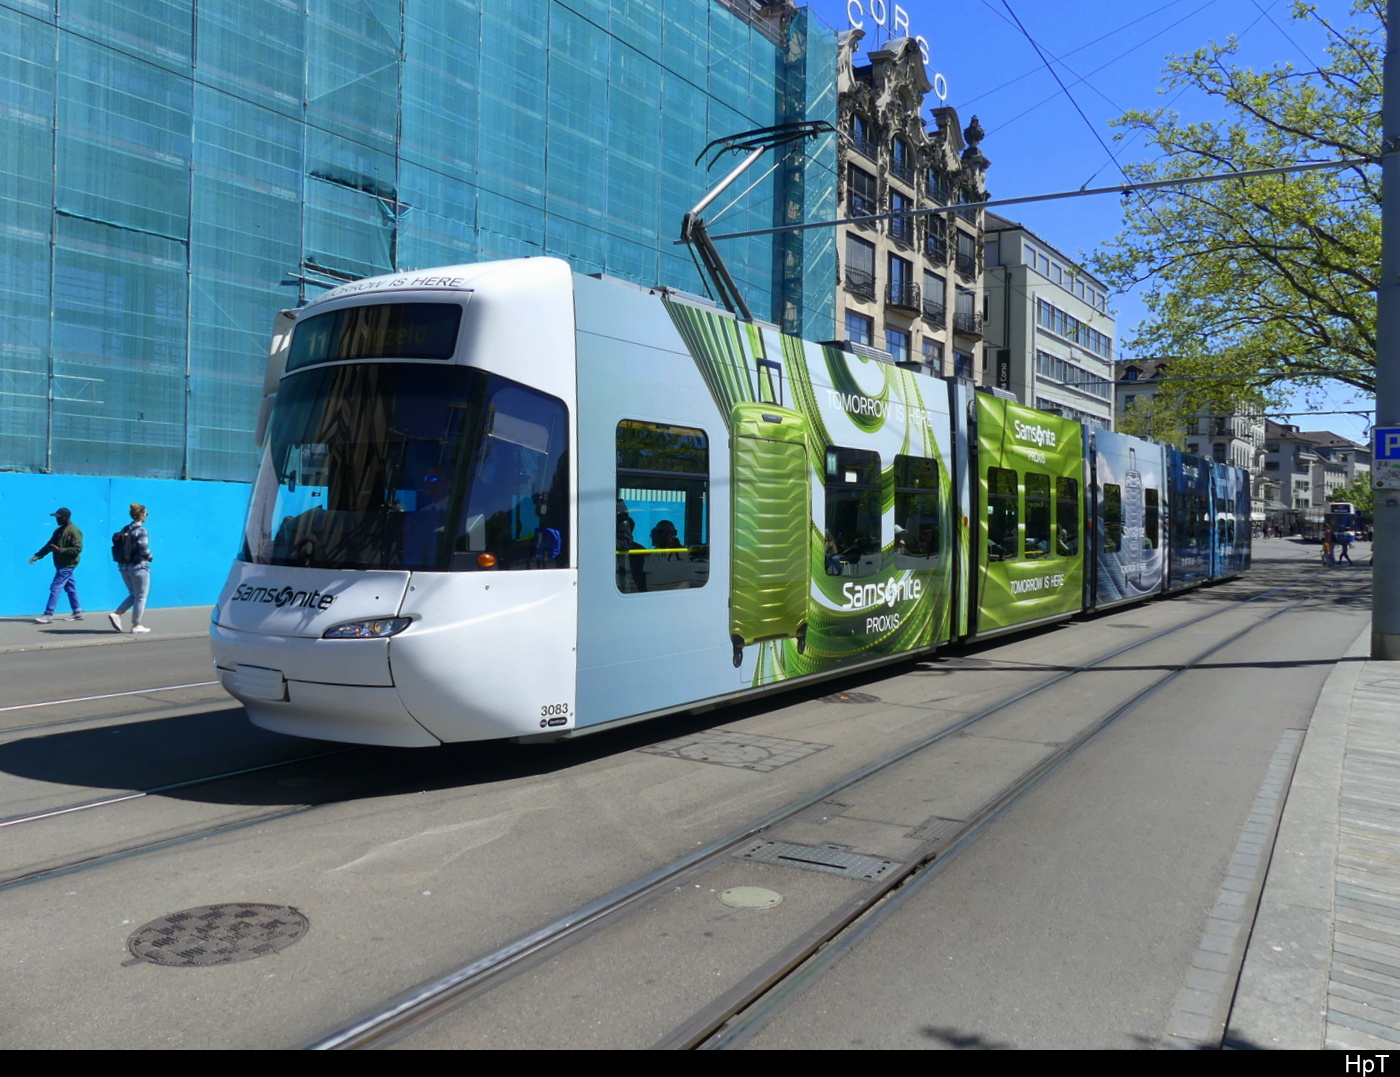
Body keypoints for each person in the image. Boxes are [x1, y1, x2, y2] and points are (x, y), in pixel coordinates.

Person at [29, 506, 83, 624]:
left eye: (58, 517)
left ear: (65, 517)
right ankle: (77, 611)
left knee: (55, 587)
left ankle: (48, 614)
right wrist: (38, 556)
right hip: (60, 564)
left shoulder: (74, 531)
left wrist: (60, 550)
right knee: (70, 587)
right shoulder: (58, 531)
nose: (56, 520)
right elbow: (49, 545)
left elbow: (77, 549)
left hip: (68, 564)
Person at [108, 503, 153, 634]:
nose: (146, 516)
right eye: (146, 514)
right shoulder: (142, 530)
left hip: (124, 567)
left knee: (134, 595)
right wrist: (150, 557)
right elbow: (143, 548)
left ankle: (117, 614)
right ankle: (136, 625)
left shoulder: (125, 529)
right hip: (139, 567)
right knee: (141, 596)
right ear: (141, 515)